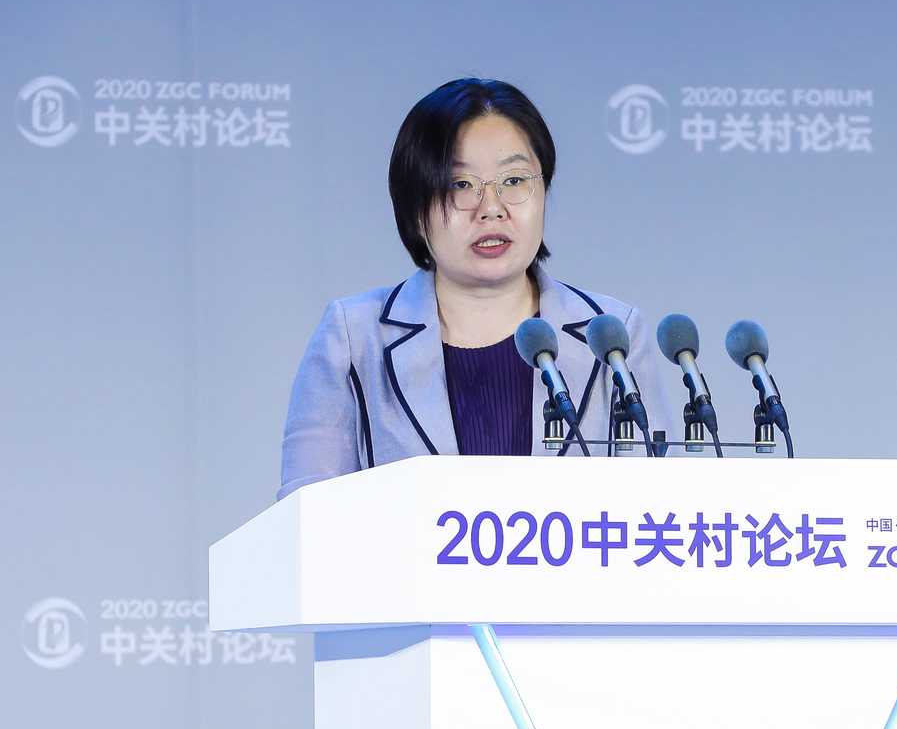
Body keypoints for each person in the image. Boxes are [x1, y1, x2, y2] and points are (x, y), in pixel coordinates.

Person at [278, 77, 682, 499]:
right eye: (460, 185)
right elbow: (305, 514)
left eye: (514, 180)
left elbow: (660, 507)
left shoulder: (611, 334)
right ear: (415, 208)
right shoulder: (355, 338)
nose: (492, 208)